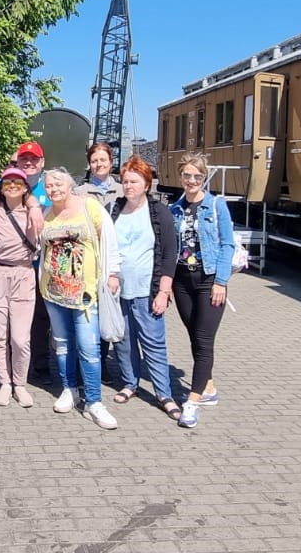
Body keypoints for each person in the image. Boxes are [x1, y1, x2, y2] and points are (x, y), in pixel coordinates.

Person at [39, 167, 120, 430]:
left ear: (70, 184)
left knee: (89, 348)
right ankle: (69, 389)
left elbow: (109, 240)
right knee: (62, 344)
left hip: (85, 294)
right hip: (54, 292)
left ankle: (94, 401)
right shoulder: (47, 215)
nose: (54, 189)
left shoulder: (90, 207)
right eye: (49, 186)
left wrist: (112, 274)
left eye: (58, 184)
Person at [107, 157, 181, 421]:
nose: (128, 186)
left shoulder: (158, 212)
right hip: (118, 291)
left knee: (153, 344)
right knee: (124, 342)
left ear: (147, 184)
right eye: (125, 181)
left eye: (134, 181)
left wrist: (164, 291)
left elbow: (170, 253)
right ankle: (130, 384)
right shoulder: (115, 209)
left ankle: (164, 394)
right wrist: (111, 274)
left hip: (146, 290)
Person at [171, 153, 236, 429]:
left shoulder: (217, 205)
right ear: (181, 177)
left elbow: (228, 245)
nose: (192, 181)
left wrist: (221, 281)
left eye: (197, 176)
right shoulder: (175, 208)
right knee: (194, 338)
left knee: (204, 339)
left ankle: (192, 402)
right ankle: (208, 387)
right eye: (187, 175)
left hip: (209, 280)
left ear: (204, 177)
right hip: (182, 281)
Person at [0, 167, 43, 407]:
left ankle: (20, 383)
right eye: (7, 181)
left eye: (18, 182)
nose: (12, 185)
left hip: (23, 274)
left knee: (19, 337)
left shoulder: (34, 211)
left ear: (26, 187)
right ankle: (5, 383)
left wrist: (35, 205)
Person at [74, 142, 121, 207]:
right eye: (94, 161)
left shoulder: (123, 191)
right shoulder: (78, 193)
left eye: (103, 160)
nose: (99, 164)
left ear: (111, 163)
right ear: (90, 165)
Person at [14, 141, 50, 208]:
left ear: (42, 162)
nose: (28, 163)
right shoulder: (4, 186)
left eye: (34, 159)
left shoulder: (51, 189)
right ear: (17, 162)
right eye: (24, 159)